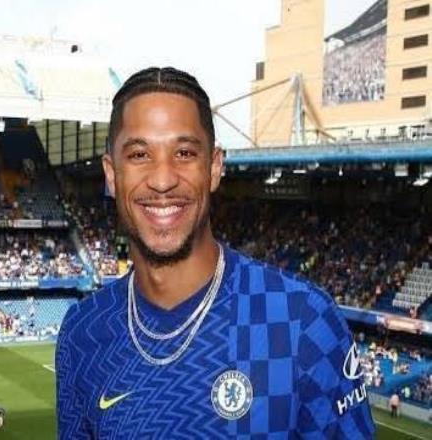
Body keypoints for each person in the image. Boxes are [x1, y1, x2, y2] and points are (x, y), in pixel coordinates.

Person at [56, 67, 375, 438]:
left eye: (184, 153)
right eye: (140, 154)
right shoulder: (82, 331)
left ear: (214, 167)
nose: (162, 180)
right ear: (112, 174)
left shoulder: (303, 319)